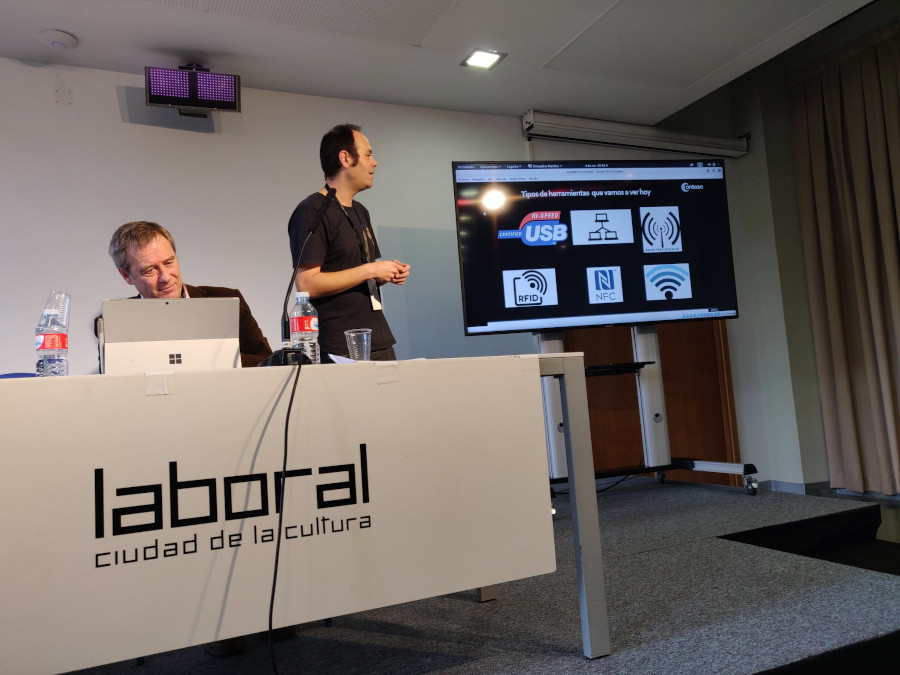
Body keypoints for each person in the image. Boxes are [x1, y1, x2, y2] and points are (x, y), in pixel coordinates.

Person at [288, 123, 410, 362]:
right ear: (345, 158)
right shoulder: (312, 210)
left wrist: (385, 273)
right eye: (368, 155)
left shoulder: (361, 211)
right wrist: (371, 270)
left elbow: (358, 273)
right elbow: (306, 284)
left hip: (377, 340)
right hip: (339, 347)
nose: (375, 163)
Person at [105, 221, 273, 368]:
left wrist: (211, 359)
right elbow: (114, 380)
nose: (165, 277)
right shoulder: (114, 321)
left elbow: (267, 362)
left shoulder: (228, 301)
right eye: (150, 270)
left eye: (169, 262)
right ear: (126, 276)